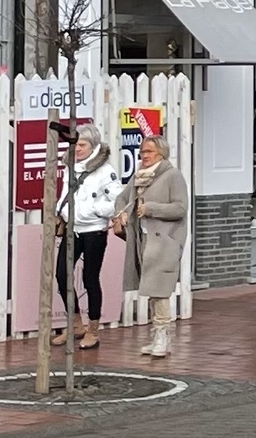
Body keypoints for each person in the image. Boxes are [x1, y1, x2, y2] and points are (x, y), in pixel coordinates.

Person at [54, 123, 125, 349]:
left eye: (82, 145)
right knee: (62, 275)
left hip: (94, 231)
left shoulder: (105, 170)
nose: (78, 149)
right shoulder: (70, 167)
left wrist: (95, 211)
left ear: (93, 146)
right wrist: (61, 211)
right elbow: (66, 193)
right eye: (75, 144)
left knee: (90, 279)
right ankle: (75, 323)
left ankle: (93, 329)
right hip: (72, 228)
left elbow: (117, 200)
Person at [120, 132, 189, 358]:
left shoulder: (172, 176)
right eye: (142, 151)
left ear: (161, 152)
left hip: (165, 241)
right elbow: (123, 198)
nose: (143, 155)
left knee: (160, 289)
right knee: (150, 288)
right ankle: (157, 336)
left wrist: (151, 208)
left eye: (148, 151)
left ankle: (163, 334)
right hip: (144, 239)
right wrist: (120, 213)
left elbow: (180, 208)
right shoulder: (139, 175)